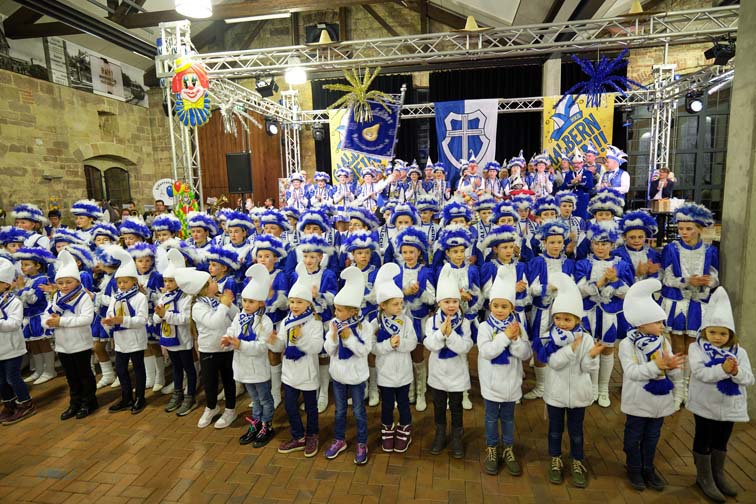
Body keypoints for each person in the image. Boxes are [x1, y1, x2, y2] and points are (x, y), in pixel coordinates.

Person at [533, 273, 601, 488]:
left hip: (578, 394)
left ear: (578, 320)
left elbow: (588, 368)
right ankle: (555, 459)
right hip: (556, 393)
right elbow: (554, 362)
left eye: (567, 319)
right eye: (558, 318)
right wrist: (571, 350)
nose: (561, 323)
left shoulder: (586, 339)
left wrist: (591, 356)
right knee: (555, 430)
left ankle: (577, 460)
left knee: (576, 432)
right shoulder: (549, 338)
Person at [687, 287, 753, 502]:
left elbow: (749, 379)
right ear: (705, 331)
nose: (717, 337)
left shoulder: (739, 352)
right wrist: (722, 370)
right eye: (713, 332)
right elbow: (700, 373)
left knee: (721, 441)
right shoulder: (696, 349)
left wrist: (735, 372)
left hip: (729, 406)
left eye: (723, 334)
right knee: (704, 438)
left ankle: (718, 474)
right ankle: (704, 477)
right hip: (705, 404)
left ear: (730, 334)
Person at [620, 279, 683, 492]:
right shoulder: (627, 345)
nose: (662, 326)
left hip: (658, 402)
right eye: (658, 322)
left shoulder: (663, 342)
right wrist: (657, 366)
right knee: (633, 437)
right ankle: (634, 468)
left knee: (652, 437)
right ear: (642, 323)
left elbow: (671, 370)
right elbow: (632, 372)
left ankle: (648, 468)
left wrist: (673, 368)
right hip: (637, 401)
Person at [660, 202, 719, 410]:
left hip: (698, 303)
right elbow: (666, 277)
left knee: (693, 348)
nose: (684, 232)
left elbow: (715, 277)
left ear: (699, 229)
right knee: (677, 346)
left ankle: (687, 389)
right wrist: (687, 281)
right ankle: (678, 391)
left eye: (688, 228)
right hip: (677, 302)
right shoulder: (671, 249)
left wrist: (707, 281)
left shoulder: (710, 251)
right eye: (681, 228)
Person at [477, 267, 531, 476]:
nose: (499, 310)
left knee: (508, 418)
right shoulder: (484, 327)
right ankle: (492, 448)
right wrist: (505, 337)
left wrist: (515, 340)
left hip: (511, 383)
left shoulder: (518, 327)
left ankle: (508, 448)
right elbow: (487, 351)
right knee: (491, 418)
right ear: (490, 306)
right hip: (491, 383)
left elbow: (525, 354)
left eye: (504, 306)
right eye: (496, 306)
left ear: (512, 307)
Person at [575, 221, 634, 407]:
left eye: (604, 243)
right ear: (591, 244)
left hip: (611, 313)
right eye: (596, 243)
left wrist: (615, 281)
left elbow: (629, 293)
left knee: (608, 349)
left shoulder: (622, 265)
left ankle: (603, 388)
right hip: (589, 312)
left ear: (612, 244)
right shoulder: (583, 264)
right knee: (592, 347)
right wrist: (600, 282)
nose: (600, 247)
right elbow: (579, 291)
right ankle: (592, 387)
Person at [222, 264, 277, 448]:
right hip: (243, 367)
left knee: (264, 399)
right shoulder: (240, 317)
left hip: (258, 369)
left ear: (260, 303)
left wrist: (241, 344)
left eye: (251, 302)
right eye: (245, 300)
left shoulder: (265, 322)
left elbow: (262, 347)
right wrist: (227, 339)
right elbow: (232, 330)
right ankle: (256, 423)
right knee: (254, 399)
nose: (246, 304)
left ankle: (267, 425)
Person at [176, 266, 238, 429]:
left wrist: (229, 304)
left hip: (227, 348)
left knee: (229, 380)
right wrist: (224, 306)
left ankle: (230, 410)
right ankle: (211, 407)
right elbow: (214, 323)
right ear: (203, 288)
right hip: (208, 350)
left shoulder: (219, 299)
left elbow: (236, 316)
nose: (215, 282)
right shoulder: (197, 306)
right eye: (211, 281)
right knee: (210, 382)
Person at [324, 267, 374, 465]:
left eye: (339, 310)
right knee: (339, 410)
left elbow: (364, 351)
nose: (336, 313)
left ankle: (362, 442)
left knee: (359, 411)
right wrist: (334, 337)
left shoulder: (365, 326)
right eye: (335, 309)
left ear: (353, 310)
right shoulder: (334, 323)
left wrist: (349, 338)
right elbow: (329, 349)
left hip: (356, 376)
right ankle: (339, 439)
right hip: (338, 374)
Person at [273, 264, 324, 458]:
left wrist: (301, 338)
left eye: (299, 302)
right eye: (292, 301)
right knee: (290, 406)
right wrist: (273, 341)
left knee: (311, 408)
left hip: (307, 373)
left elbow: (316, 347)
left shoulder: (314, 322)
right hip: (290, 373)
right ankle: (298, 436)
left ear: (308, 304)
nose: (294, 305)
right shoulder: (286, 321)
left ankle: (312, 435)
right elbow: (281, 345)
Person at [425, 263, 474, 459]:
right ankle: (439, 434)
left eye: (455, 301)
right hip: (438, 372)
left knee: (456, 406)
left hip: (456, 373)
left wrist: (451, 334)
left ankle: (456, 436)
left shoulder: (465, 322)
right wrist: (441, 334)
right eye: (447, 302)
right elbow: (430, 345)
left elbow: (465, 347)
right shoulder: (431, 322)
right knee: (438, 405)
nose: (451, 305)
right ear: (439, 303)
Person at [41, 251, 97, 420]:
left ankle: (89, 402)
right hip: (63, 344)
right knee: (71, 376)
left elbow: (86, 319)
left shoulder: (83, 297)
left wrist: (61, 322)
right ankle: (75, 402)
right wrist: (48, 322)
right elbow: (46, 314)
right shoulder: (56, 297)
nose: (64, 286)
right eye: (60, 283)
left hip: (80, 343)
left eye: (68, 282)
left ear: (77, 281)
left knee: (84, 375)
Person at [524, 220, 574, 400]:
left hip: (563, 310)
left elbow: (573, 286)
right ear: (544, 243)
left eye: (559, 242)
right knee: (539, 345)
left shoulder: (568, 263)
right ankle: (541, 386)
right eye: (551, 242)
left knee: (562, 344)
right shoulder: (537, 261)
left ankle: (558, 384)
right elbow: (531, 288)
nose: (556, 246)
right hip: (542, 311)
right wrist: (548, 288)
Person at [372, 263, 417, 453]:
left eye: (401, 303)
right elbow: (373, 348)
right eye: (395, 304)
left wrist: (401, 344)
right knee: (387, 405)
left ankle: (405, 428)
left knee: (404, 404)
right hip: (385, 374)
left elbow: (413, 342)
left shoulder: (407, 321)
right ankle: (388, 429)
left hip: (404, 373)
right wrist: (388, 345)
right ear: (383, 305)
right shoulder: (375, 323)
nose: (400, 307)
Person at [102, 247, 149, 415]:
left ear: (134, 282)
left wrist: (123, 320)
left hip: (135, 339)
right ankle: (126, 397)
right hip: (120, 340)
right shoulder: (115, 297)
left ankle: (140, 397)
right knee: (121, 370)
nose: (121, 285)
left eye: (125, 282)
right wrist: (108, 321)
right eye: (119, 282)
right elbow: (110, 313)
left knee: (138, 369)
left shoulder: (140, 298)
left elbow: (142, 320)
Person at [393, 227, 435, 412]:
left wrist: (419, 292)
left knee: (418, 356)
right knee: (404, 356)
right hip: (401, 320)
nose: (408, 255)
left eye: (412, 252)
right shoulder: (397, 272)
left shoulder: (426, 272)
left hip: (419, 319)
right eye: (405, 252)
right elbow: (392, 297)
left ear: (419, 252)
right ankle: (408, 390)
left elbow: (432, 298)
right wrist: (404, 292)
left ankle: (421, 392)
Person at [154, 249, 197, 417]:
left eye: (171, 281)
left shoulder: (187, 297)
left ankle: (190, 396)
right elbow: (156, 318)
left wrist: (166, 315)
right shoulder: (164, 297)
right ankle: (177, 393)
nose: (167, 284)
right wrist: (159, 316)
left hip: (183, 340)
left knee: (189, 369)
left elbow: (186, 319)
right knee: (176, 368)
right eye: (165, 281)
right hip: (169, 339)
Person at [0, 258, 35, 425]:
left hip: (12, 347)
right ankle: (9, 403)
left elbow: (14, 324)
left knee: (12, 378)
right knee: (1, 381)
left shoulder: (14, 302)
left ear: (6, 285)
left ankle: (25, 403)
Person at [13, 247, 55, 385]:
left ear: (37, 266)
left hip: (39, 316)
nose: (23, 267)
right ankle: (38, 370)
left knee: (43, 343)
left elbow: (33, 300)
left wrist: (21, 288)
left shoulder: (42, 279)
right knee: (33, 344)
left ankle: (49, 370)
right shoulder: (27, 280)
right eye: (22, 264)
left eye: (26, 264)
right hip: (29, 317)